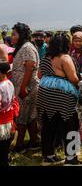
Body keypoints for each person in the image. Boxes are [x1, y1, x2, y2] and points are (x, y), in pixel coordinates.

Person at [36, 32, 82, 166]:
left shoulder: (45, 57)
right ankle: (71, 158)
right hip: (63, 97)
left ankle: (48, 156)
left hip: (45, 95)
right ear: (65, 44)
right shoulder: (65, 58)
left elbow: (40, 75)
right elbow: (73, 79)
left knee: (48, 126)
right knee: (71, 125)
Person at [10, 23, 41, 153]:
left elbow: (30, 67)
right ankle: (34, 142)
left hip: (27, 88)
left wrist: (23, 88)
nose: (12, 37)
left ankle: (19, 145)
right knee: (29, 117)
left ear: (21, 35)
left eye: (14, 34)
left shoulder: (27, 48)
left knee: (22, 117)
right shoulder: (23, 47)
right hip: (24, 87)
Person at [0, 62, 19, 167]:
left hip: (1, 122)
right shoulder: (9, 83)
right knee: (5, 145)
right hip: (8, 120)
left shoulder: (1, 87)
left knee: (2, 146)